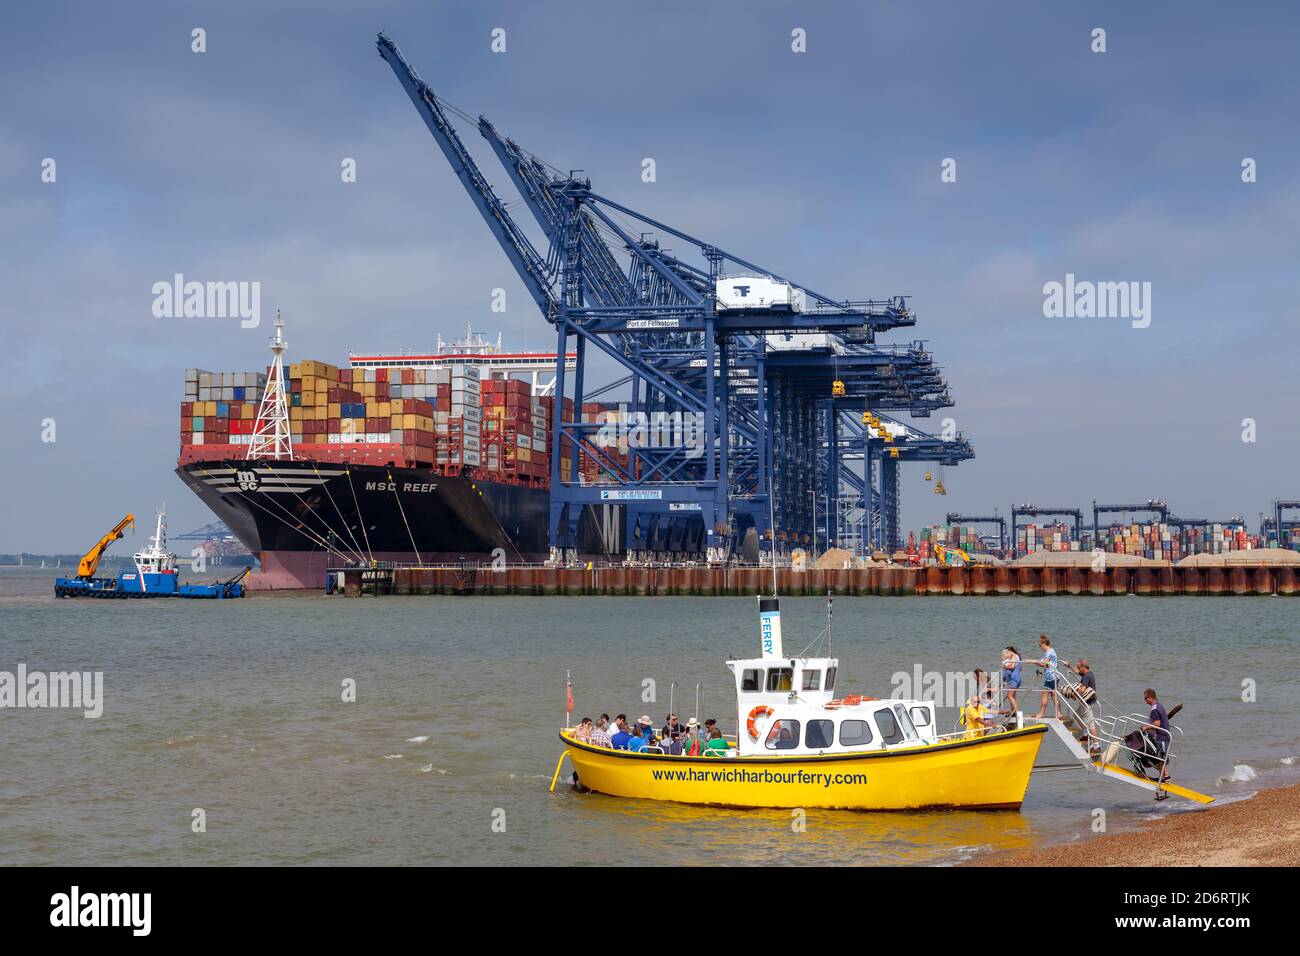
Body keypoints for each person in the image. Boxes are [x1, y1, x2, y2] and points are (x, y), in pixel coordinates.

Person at [1063, 658, 1099, 747]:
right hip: (1086, 702)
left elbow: (1082, 689)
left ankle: (1096, 745)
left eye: (1079, 667)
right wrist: (1069, 665)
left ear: (1083, 667)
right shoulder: (1089, 673)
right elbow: (1077, 672)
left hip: (1087, 703)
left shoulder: (1086, 676)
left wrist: (1074, 696)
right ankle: (1085, 734)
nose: (1078, 669)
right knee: (1076, 716)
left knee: (1091, 724)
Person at [1031, 634, 1063, 719]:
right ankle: (1059, 713)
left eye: (1040, 645)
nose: (1040, 647)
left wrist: (1033, 661)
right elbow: (1043, 662)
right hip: (1054, 676)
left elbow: (1043, 663)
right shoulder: (1051, 651)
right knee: (1053, 695)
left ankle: (1041, 713)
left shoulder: (1049, 652)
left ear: (1044, 643)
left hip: (1051, 677)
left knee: (1044, 694)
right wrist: (1033, 661)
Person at [1000, 646, 1022, 716]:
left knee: (1009, 696)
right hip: (1017, 678)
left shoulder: (1014, 656)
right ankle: (1013, 712)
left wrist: (1005, 666)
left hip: (1014, 678)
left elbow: (1012, 666)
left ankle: (1018, 713)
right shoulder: (1017, 657)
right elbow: (1020, 668)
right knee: (1013, 696)